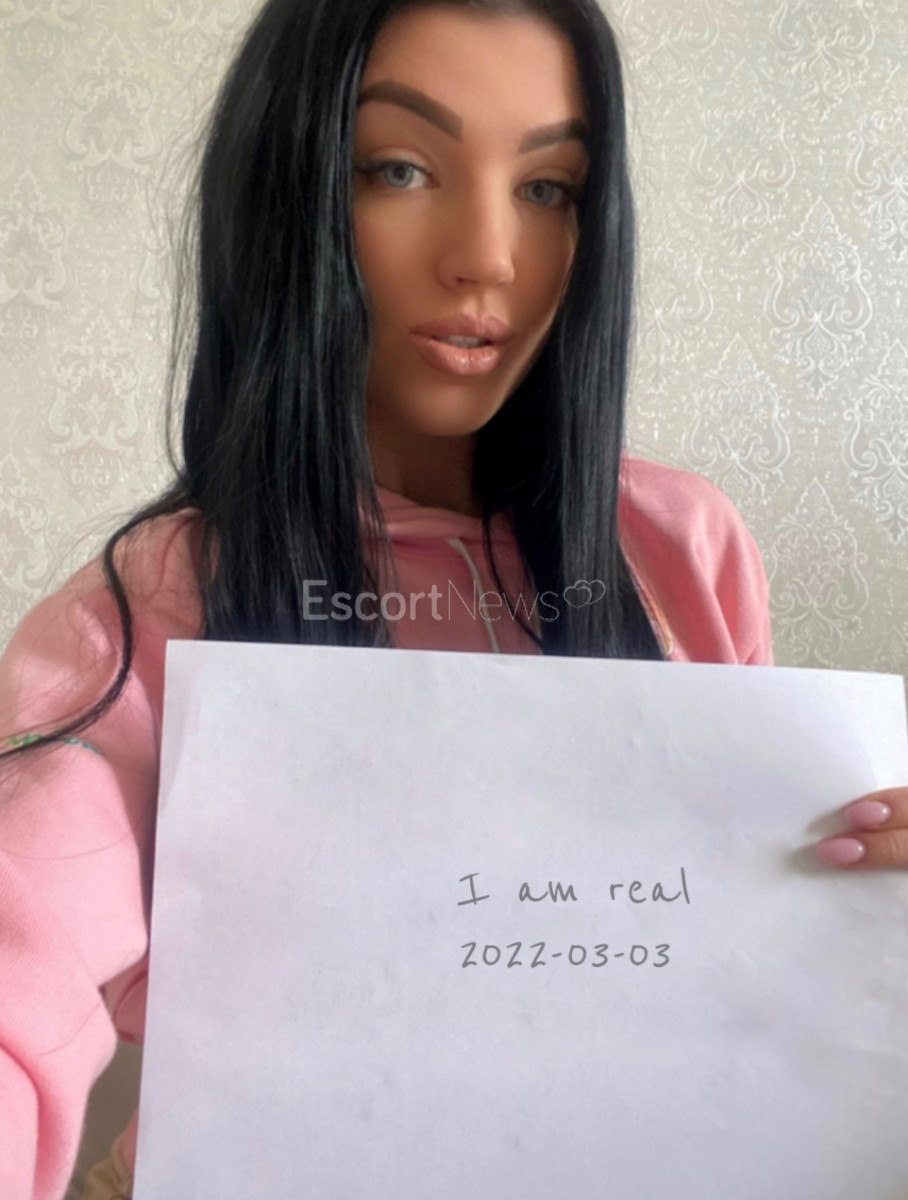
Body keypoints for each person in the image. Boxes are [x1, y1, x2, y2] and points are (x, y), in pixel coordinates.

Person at [1, 0, 905, 1197]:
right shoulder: (149, 612)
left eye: (548, 188)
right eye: (400, 168)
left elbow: (739, 959)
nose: (488, 256)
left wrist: (863, 913)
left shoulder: (679, 550)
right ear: (289, 192)